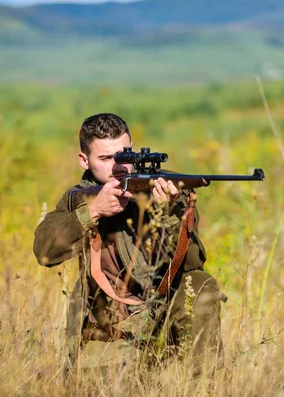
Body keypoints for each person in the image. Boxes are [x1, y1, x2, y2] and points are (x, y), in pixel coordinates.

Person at [33, 113, 223, 376]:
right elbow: (44, 253)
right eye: (105, 158)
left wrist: (167, 212)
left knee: (200, 285)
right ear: (83, 160)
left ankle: (207, 387)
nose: (119, 166)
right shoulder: (78, 198)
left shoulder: (166, 189)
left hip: (165, 308)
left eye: (124, 156)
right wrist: (93, 212)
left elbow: (191, 263)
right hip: (110, 319)